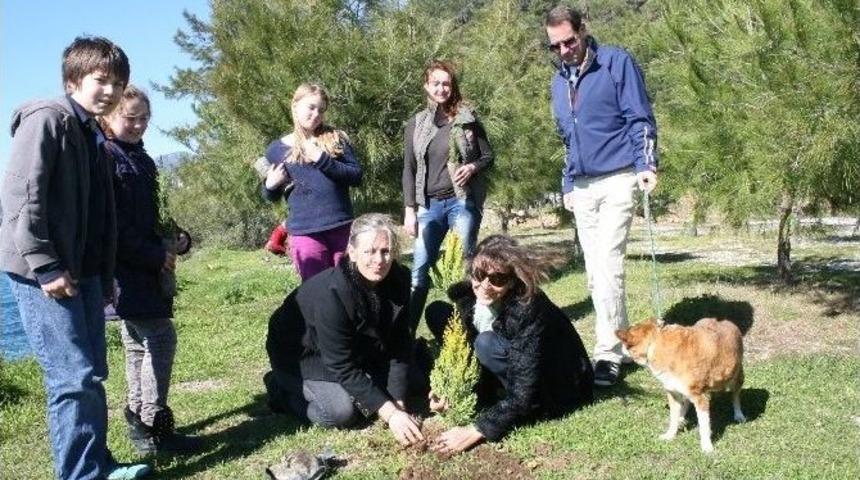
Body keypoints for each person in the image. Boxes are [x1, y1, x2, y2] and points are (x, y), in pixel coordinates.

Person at [0, 37, 150, 479]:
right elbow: (21, 198)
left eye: (118, 83)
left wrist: (104, 276)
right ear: (73, 80)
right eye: (101, 80)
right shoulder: (47, 119)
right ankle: (81, 475)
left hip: (83, 272)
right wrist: (45, 265)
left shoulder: (91, 133)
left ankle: (98, 463)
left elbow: (100, 215)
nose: (110, 91)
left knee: (91, 374)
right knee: (72, 378)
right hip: (44, 273)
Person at [545, 5, 659, 386]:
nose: (564, 50)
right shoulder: (558, 83)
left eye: (569, 41)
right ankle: (627, 344)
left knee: (608, 267)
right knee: (596, 276)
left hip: (619, 177)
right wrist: (567, 184)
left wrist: (646, 164)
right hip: (582, 186)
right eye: (555, 46)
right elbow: (567, 139)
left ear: (583, 31)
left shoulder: (616, 63)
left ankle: (606, 354)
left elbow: (639, 117)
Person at [264, 214, 424, 447]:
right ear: (352, 250)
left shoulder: (399, 280)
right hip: (301, 353)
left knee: (409, 383)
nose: (379, 260)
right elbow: (340, 364)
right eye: (370, 251)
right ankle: (280, 389)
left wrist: (398, 403)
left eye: (386, 251)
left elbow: (400, 343)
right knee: (341, 412)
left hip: (351, 346)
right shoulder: (334, 293)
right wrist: (389, 414)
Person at [426, 235, 594, 455]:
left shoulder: (528, 307)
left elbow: (525, 390)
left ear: (513, 280)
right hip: (508, 356)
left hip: (557, 383)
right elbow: (463, 346)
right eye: (479, 274)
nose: (485, 285)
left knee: (485, 344)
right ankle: (493, 388)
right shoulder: (469, 293)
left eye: (498, 279)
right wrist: (450, 387)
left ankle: (509, 398)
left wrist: (478, 429)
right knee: (438, 312)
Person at [101, 84, 201, 455]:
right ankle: (150, 421)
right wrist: (153, 257)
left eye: (145, 118)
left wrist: (177, 238)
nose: (139, 125)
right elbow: (114, 227)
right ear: (109, 116)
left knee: (138, 345)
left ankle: (140, 420)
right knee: (159, 337)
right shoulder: (107, 158)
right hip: (127, 270)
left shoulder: (141, 157)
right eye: (131, 118)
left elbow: (156, 214)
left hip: (146, 266)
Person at [402, 60, 494, 332]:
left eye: (446, 83)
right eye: (436, 83)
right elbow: (408, 168)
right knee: (419, 270)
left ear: (452, 86)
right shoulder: (416, 123)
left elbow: (488, 156)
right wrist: (409, 209)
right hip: (428, 206)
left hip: (461, 203)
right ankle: (406, 335)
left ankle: (467, 330)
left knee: (465, 269)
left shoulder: (466, 118)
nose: (441, 88)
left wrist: (472, 166)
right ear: (426, 86)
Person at [262, 83, 362, 281]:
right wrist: (269, 185)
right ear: (295, 105)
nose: (316, 114)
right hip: (305, 233)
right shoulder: (276, 150)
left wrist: (323, 159)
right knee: (317, 293)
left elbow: (356, 176)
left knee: (350, 288)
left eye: (321, 110)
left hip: (341, 228)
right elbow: (270, 195)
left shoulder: (336, 139)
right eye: (311, 107)